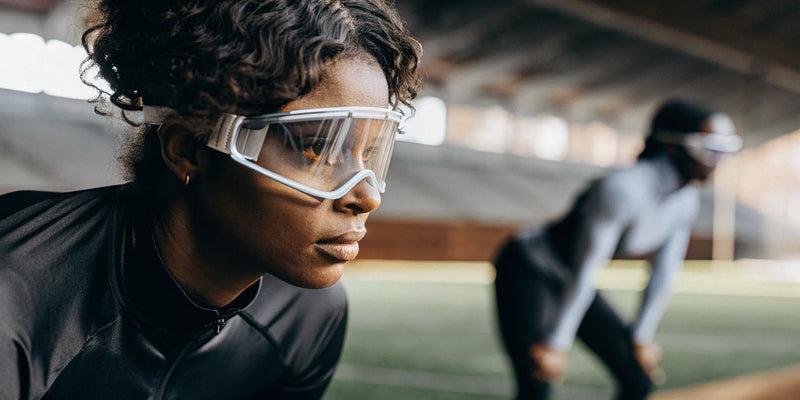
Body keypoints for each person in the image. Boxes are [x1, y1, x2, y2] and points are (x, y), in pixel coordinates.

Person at [0, 0, 420, 398]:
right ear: (187, 149)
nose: (366, 197)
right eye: (317, 149)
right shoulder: (15, 295)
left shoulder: (306, 316)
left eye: (368, 153)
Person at [493, 99, 742, 400]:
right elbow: (586, 269)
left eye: (723, 152)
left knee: (638, 377)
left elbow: (664, 274)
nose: (717, 162)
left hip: (570, 278)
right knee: (537, 376)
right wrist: (556, 344)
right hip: (527, 267)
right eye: (709, 150)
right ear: (673, 146)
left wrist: (642, 337)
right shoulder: (622, 190)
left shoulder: (685, 201)